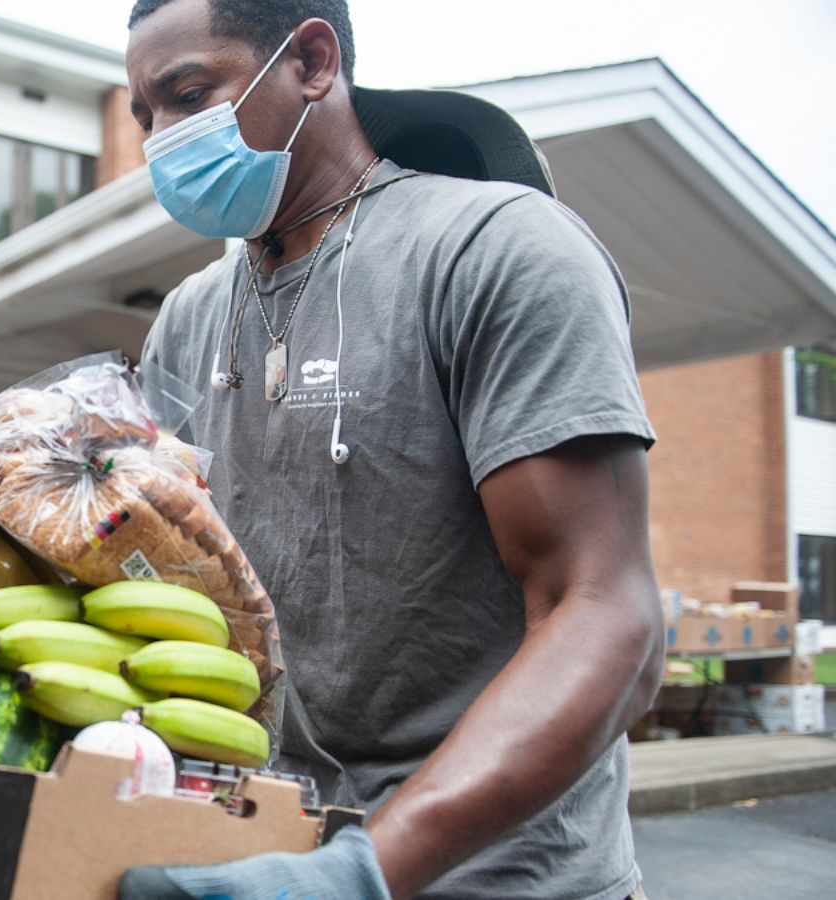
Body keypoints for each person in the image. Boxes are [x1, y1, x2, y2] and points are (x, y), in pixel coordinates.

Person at [119, 2, 665, 898]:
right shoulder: (186, 321)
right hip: (264, 859)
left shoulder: (495, 250)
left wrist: (359, 876)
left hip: (501, 879)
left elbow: (605, 613)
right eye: (146, 116)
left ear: (313, 61)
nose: (164, 141)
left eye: (188, 95)